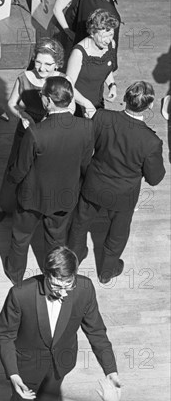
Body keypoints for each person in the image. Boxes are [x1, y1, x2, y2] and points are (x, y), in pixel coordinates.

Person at [0, 246, 120, 401]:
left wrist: (110, 370)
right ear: (46, 275)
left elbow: (96, 331)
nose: (63, 293)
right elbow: (5, 336)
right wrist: (14, 375)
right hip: (26, 366)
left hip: (60, 363)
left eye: (68, 284)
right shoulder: (20, 294)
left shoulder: (85, 289)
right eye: (56, 286)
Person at [67, 81, 165, 283]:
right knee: (117, 235)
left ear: (125, 99)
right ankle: (106, 271)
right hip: (124, 195)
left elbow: (86, 144)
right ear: (150, 105)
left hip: (93, 185)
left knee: (79, 224)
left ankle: (72, 262)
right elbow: (155, 178)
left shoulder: (102, 117)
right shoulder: (151, 141)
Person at [4, 77, 94, 286]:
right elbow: (84, 163)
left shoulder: (35, 133)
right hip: (64, 197)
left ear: (47, 101)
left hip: (31, 197)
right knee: (56, 240)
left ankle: (15, 274)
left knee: (21, 237)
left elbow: (20, 168)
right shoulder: (86, 128)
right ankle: (54, 275)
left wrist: (12, 179)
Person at [0, 39, 66, 221]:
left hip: (50, 134)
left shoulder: (63, 80)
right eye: (38, 62)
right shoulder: (24, 77)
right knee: (16, 166)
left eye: (48, 64)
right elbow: (12, 104)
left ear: (57, 64)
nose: (41, 68)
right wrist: (23, 116)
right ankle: (5, 204)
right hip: (26, 131)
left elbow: (70, 108)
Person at [66, 8, 119, 116]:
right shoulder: (79, 53)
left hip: (98, 104)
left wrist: (112, 85)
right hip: (78, 107)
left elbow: (106, 67)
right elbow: (68, 86)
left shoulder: (111, 45)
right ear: (92, 33)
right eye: (104, 36)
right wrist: (86, 104)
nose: (108, 40)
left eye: (111, 35)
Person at [73, 0, 126, 69]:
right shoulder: (112, 15)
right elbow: (110, 42)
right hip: (94, 61)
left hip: (77, 47)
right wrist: (112, 65)